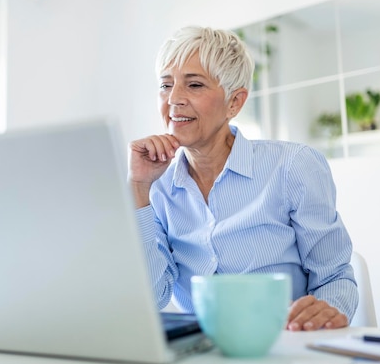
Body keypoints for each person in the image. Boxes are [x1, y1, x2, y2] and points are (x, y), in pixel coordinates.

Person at [128, 26, 358, 331]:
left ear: (234, 102)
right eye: (165, 85)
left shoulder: (293, 167)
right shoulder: (157, 190)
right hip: (207, 356)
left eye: (194, 85)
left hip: (285, 347)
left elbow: (336, 279)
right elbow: (153, 297)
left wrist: (325, 314)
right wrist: (139, 189)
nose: (174, 99)